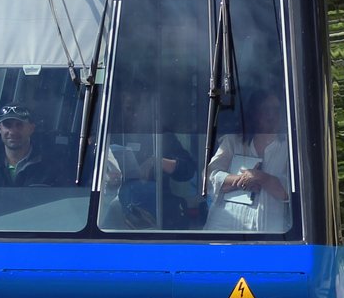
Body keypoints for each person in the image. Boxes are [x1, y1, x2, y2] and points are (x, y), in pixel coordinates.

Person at [102, 90, 196, 228]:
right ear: (121, 109)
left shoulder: (162, 137)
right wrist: (109, 178)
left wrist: (158, 161)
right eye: (129, 108)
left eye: (139, 108)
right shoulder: (109, 136)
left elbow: (188, 170)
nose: (134, 114)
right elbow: (85, 180)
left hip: (158, 208)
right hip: (119, 204)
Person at [205, 89, 290, 232]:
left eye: (276, 110)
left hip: (269, 236)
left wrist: (262, 178)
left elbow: (292, 192)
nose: (271, 115)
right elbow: (209, 177)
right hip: (223, 230)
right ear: (254, 113)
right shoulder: (233, 142)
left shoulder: (290, 148)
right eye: (265, 109)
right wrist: (241, 180)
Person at [0, 105, 62, 187]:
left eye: (19, 125)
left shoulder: (53, 172)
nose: (13, 132)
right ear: (0, 129)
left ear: (31, 128)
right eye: (7, 125)